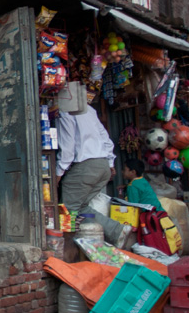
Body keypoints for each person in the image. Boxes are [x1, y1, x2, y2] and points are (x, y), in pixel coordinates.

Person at [55, 105, 132, 248]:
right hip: (102, 166)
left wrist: (58, 173)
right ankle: (117, 230)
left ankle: (65, 251)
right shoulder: (89, 109)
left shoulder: (65, 110)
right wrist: (110, 162)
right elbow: (106, 138)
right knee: (81, 207)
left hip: (86, 166)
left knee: (67, 209)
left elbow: (68, 147)